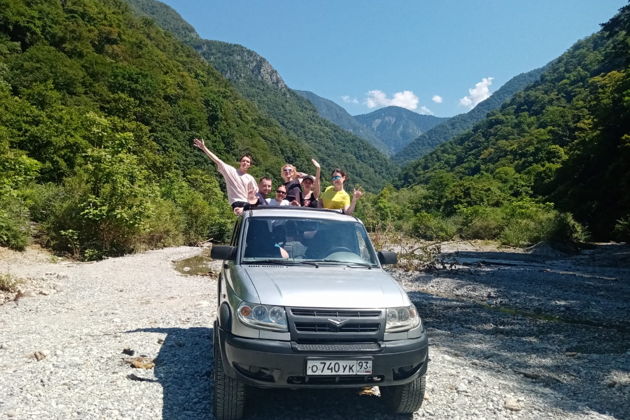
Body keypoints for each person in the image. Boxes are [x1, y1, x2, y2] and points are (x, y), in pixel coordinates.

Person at [193, 138, 257, 214]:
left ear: (250, 165)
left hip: (247, 204)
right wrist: (204, 148)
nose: (245, 163)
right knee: (240, 213)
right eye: (243, 161)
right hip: (237, 203)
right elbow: (217, 160)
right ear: (240, 162)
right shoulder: (231, 171)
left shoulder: (250, 178)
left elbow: (255, 195)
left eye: (247, 162)